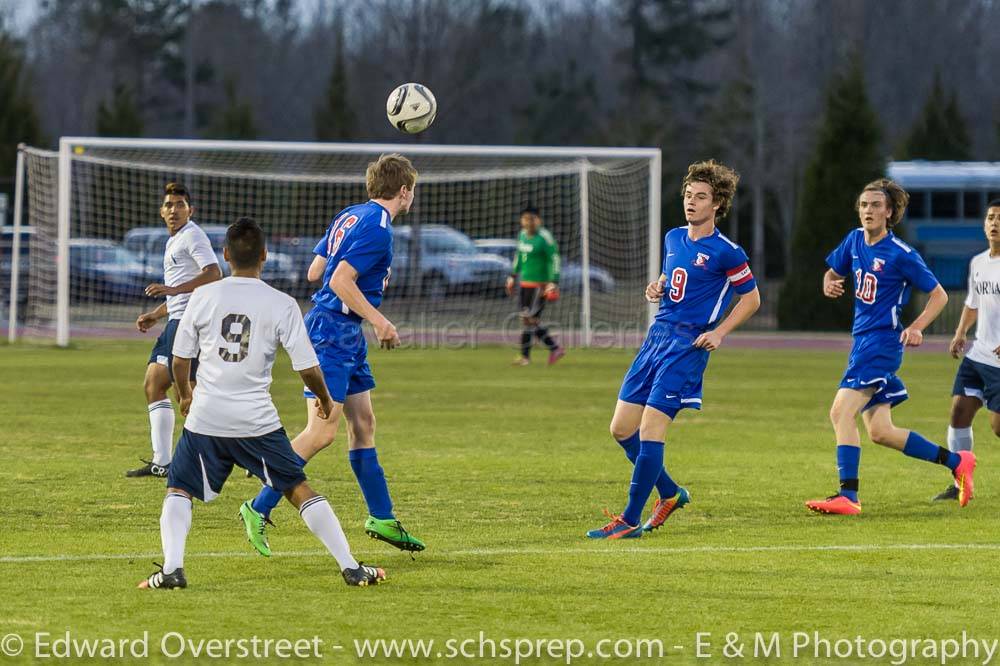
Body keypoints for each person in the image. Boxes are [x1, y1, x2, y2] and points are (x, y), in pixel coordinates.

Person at [138, 218, 384, 589]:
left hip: (207, 418)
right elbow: (307, 366)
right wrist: (321, 397)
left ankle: (173, 570)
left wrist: (186, 394)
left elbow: (180, 358)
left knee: (178, 488)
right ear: (265, 256)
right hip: (257, 422)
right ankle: (351, 567)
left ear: (225, 256)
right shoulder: (281, 303)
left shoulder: (204, 296)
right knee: (298, 489)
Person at [238, 154, 425, 556]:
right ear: (405, 190)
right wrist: (380, 320)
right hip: (332, 334)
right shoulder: (378, 229)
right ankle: (257, 506)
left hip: (342, 334)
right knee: (321, 433)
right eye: (413, 190)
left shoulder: (350, 215)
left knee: (364, 424)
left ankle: (382, 517)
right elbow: (338, 280)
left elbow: (314, 272)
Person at [587, 160, 760, 539]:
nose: (691, 202)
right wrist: (657, 286)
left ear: (717, 204)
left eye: (701, 197)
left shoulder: (727, 251)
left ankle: (630, 520)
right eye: (688, 195)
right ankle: (670, 492)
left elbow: (751, 299)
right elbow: (673, 278)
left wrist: (720, 332)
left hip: (688, 345)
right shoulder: (673, 238)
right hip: (656, 337)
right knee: (621, 429)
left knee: (651, 429)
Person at [805, 178, 976, 515]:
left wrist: (916, 327)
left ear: (889, 212)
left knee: (840, 412)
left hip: (881, 344)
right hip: (863, 342)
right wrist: (829, 282)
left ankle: (848, 496)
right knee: (881, 431)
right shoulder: (854, 241)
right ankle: (957, 461)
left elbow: (939, 294)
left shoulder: (901, 254)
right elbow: (832, 272)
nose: (868, 210)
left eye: (876, 206)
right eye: (864, 205)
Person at [128, 183, 221, 478]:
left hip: (188, 324)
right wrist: (156, 314)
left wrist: (172, 289)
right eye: (169, 205)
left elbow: (214, 272)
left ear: (190, 210)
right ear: (161, 211)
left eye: (180, 204)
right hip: (174, 322)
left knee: (190, 395)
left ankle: (212, 459)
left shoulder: (193, 235)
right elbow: (181, 292)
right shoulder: (174, 240)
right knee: (153, 385)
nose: (174, 210)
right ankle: (163, 462)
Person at [935, 199, 1000, 501]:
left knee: (998, 428)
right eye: (990, 218)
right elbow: (973, 303)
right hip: (978, 355)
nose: (994, 223)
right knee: (959, 413)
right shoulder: (978, 262)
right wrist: (960, 332)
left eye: (999, 219)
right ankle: (961, 481)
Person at [506, 206, 564, 366]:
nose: (528, 222)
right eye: (525, 219)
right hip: (525, 284)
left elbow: (555, 259)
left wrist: (554, 282)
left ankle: (530, 356)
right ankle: (552, 349)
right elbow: (519, 257)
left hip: (541, 285)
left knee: (528, 318)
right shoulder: (522, 236)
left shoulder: (544, 237)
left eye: (531, 219)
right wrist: (512, 276)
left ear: (538, 220)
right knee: (529, 320)